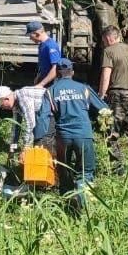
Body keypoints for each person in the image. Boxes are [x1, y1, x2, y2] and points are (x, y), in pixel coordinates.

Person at [33, 58, 110, 190]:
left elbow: (42, 117)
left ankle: (67, 201)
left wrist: (38, 140)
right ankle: (82, 200)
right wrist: (103, 127)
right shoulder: (84, 89)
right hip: (84, 135)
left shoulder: (50, 91)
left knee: (64, 171)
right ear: (72, 72)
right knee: (86, 172)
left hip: (63, 138)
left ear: (57, 73)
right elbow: (104, 109)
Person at [98, 26, 128, 175]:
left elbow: (106, 74)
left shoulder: (109, 51)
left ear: (108, 38)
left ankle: (118, 168)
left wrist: (101, 94)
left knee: (112, 132)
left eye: (104, 40)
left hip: (117, 94)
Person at [0, 84, 47, 154]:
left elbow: (30, 124)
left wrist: (25, 147)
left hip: (52, 108)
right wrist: (12, 147)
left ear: (6, 99)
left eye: (2, 105)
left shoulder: (22, 97)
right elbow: (16, 127)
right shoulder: (15, 104)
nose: (2, 108)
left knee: (41, 143)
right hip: (43, 113)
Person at [26, 19, 61, 88]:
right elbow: (43, 66)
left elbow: (55, 69)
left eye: (30, 35)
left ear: (37, 34)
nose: (30, 38)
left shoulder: (51, 46)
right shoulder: (42, 45)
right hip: (44, 82)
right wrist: (38, 77)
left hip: (51, 85)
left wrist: (41, 84)